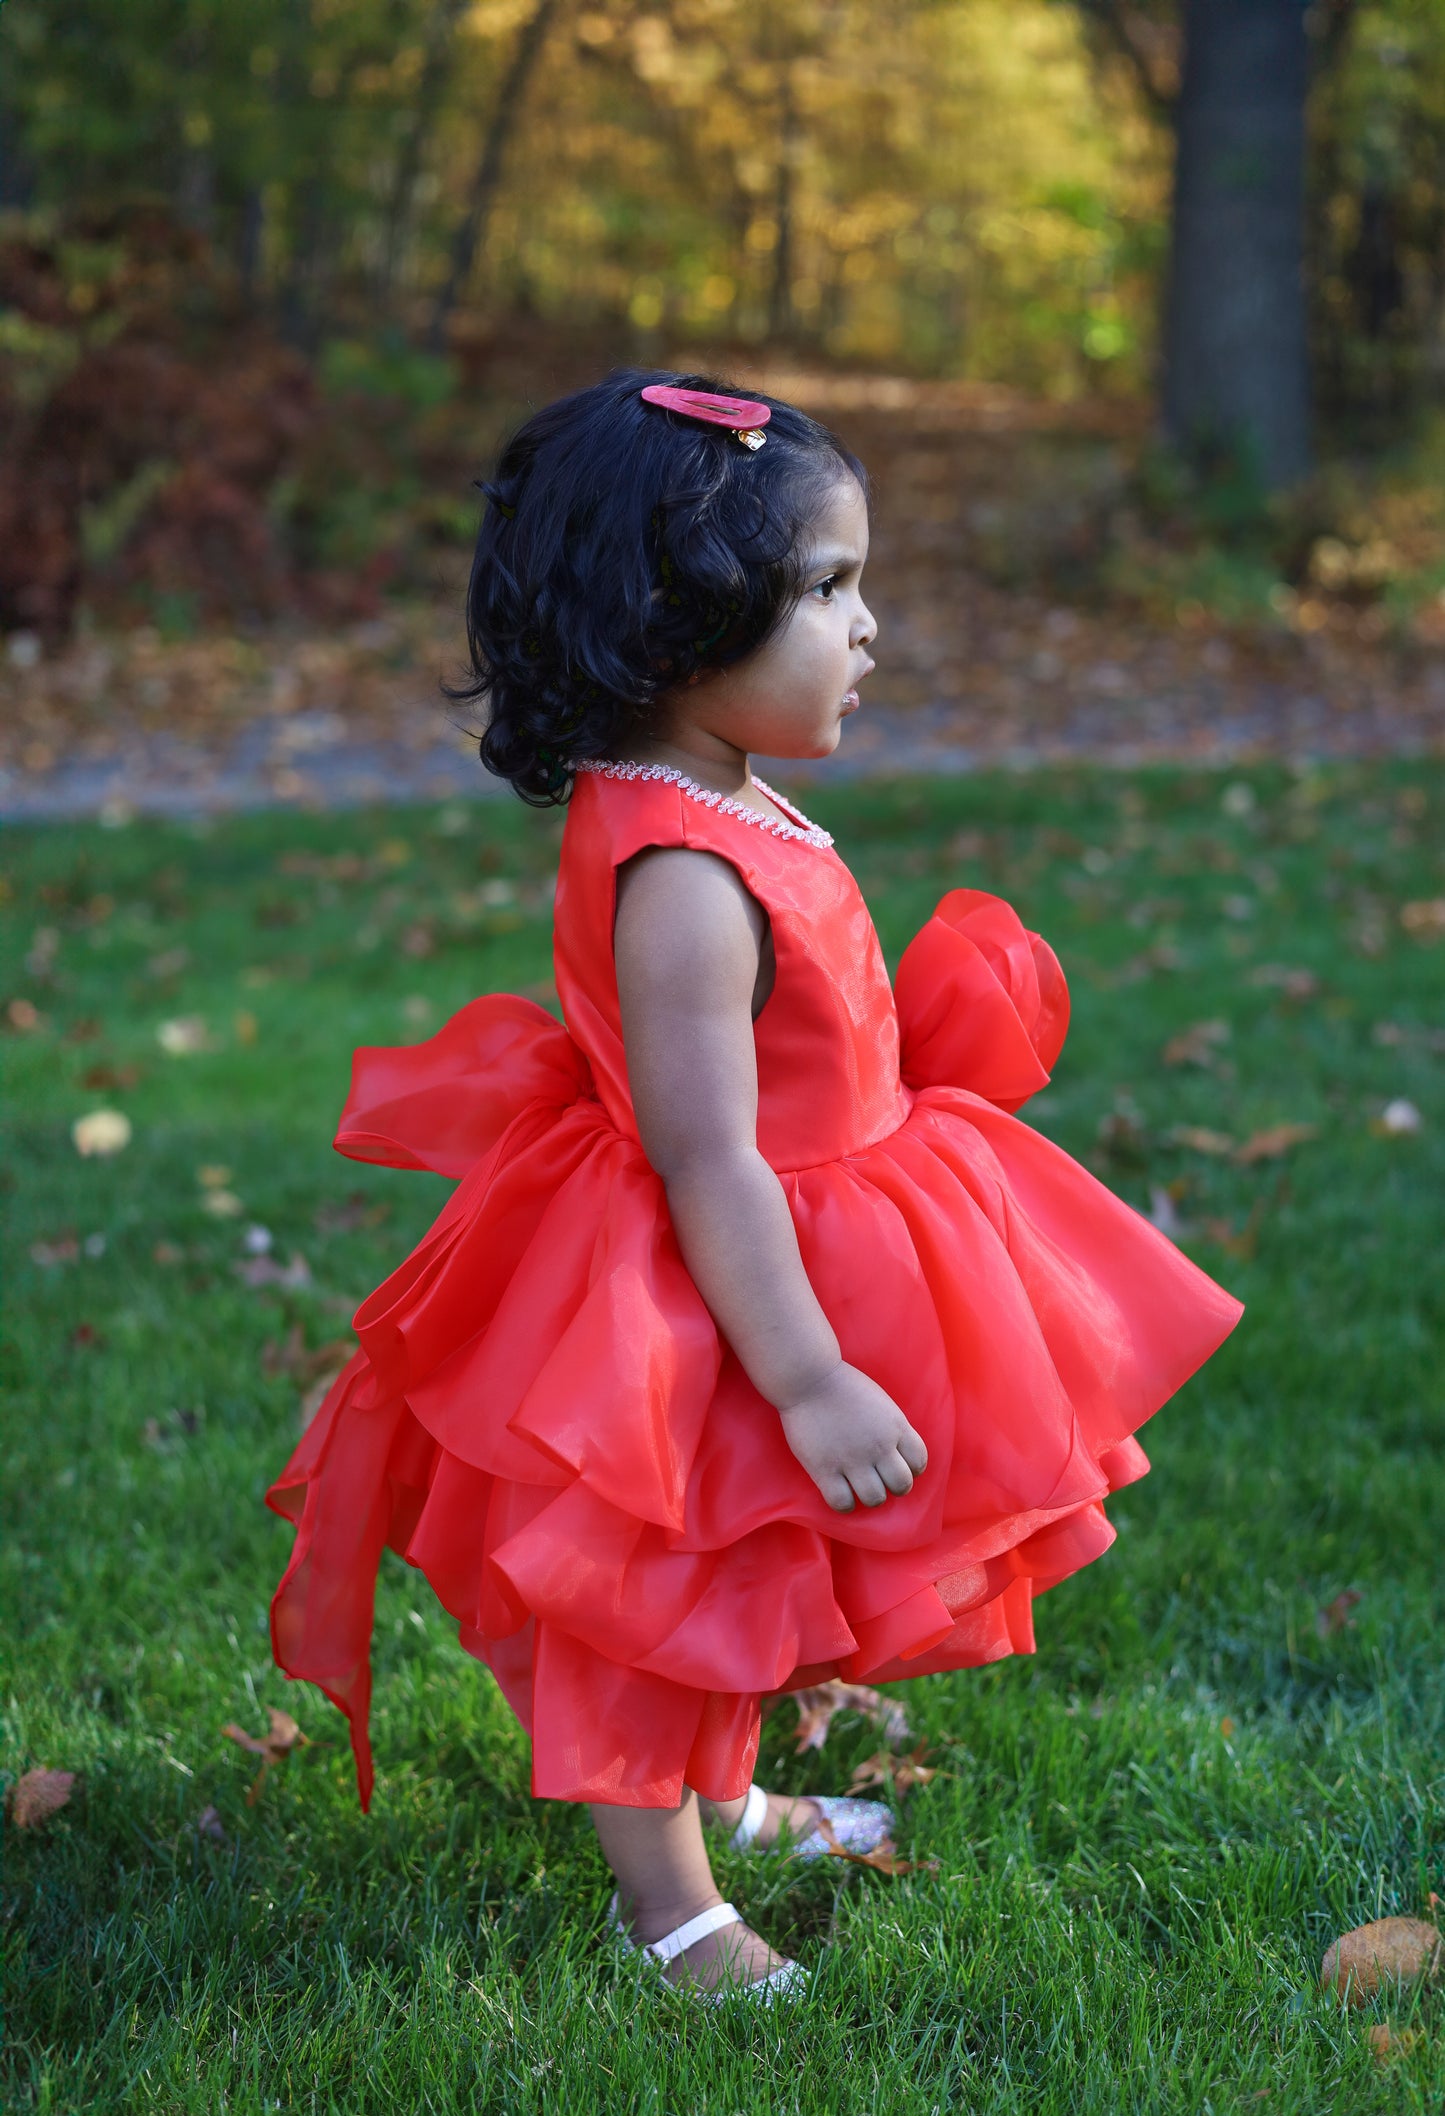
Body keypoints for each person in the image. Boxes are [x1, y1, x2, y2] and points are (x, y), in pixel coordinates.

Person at [267, 369, 1242, 2002]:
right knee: (652, 1591)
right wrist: (805, 1377)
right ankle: (670, 1914)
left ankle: (732, 1792)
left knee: (741, 1569)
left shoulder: (707, 788)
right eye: (828, 591)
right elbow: (705, 1150)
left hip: (794, 1227)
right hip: (707, 1274)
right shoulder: (681, 882)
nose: (867, 629)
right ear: (673, 623)